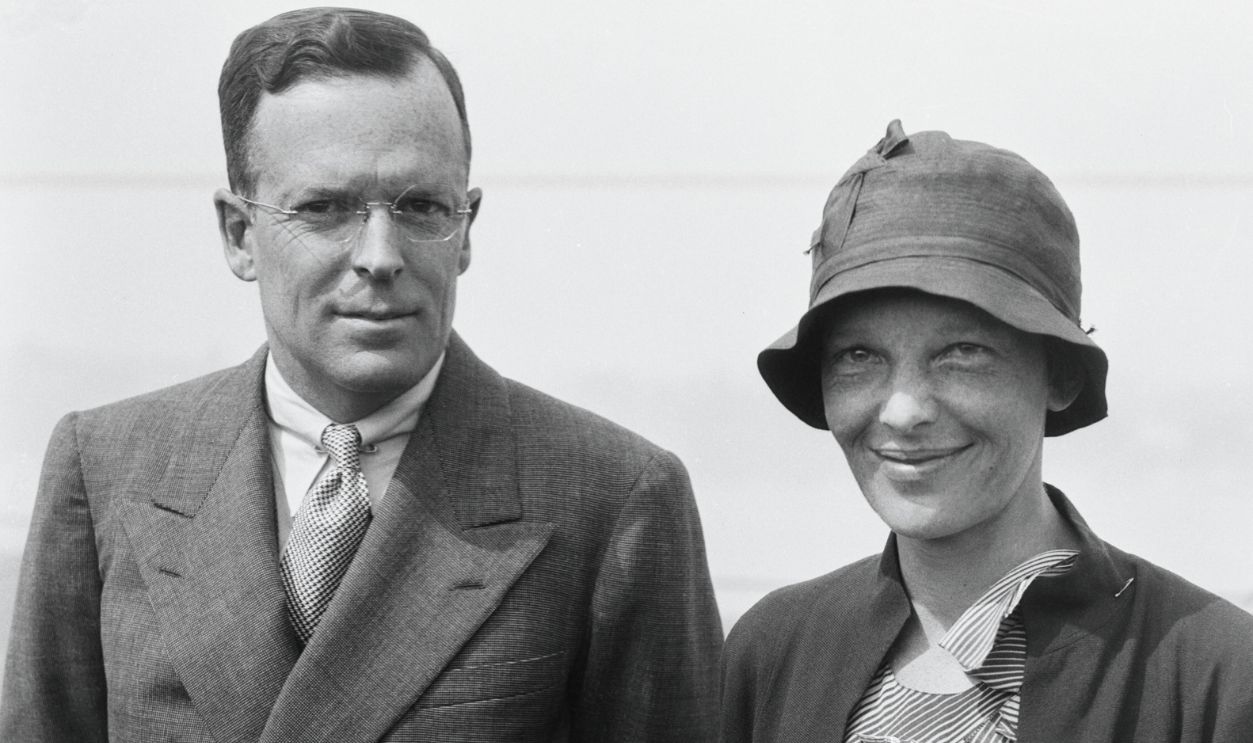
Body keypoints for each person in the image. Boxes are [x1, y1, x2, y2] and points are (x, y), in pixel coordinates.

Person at [1, 8, 722, 742]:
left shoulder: (612, 496)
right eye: (324, 208)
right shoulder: (108, 468)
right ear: (239, 233)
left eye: (419, 207)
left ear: (465, 228)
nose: (380, 253)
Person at [720, 120, 1253, 742]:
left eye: (962, 353)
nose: (902, 411)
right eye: (859, 358)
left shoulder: (1212, 679)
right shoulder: (776, 653)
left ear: (1059, 375)